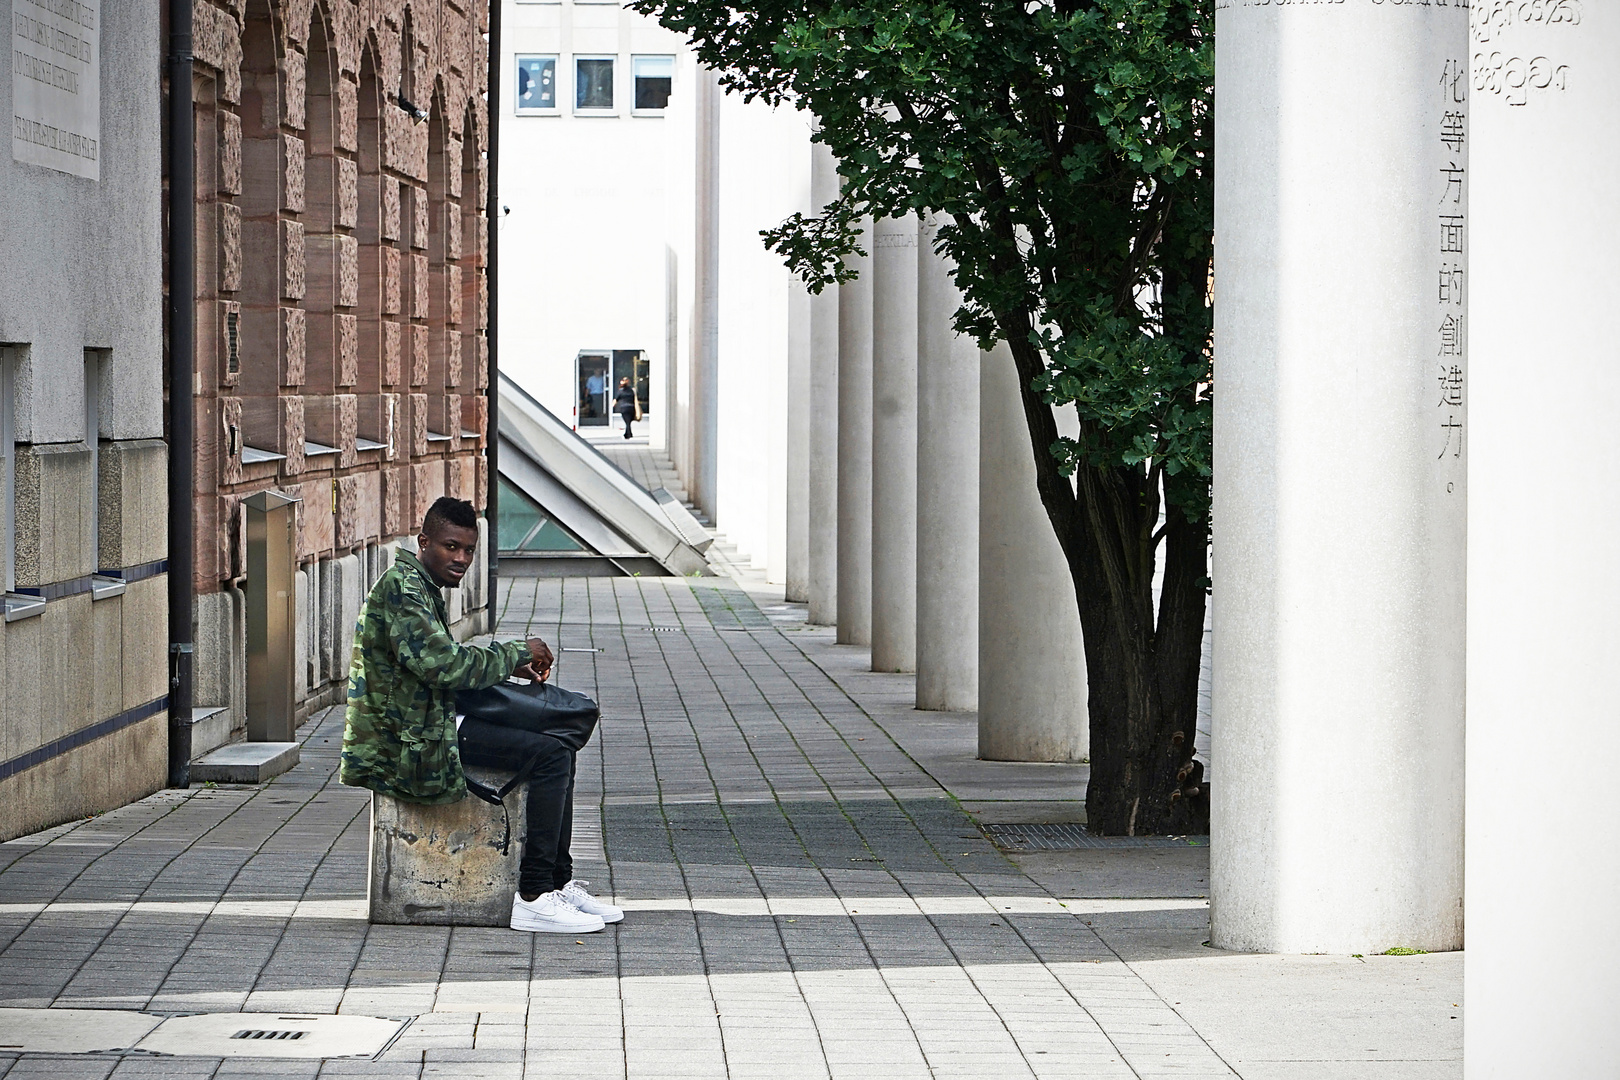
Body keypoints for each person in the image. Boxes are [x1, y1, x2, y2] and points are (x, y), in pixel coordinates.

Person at [339, 496, 624, 934]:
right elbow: (444, 666)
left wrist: (509, 664)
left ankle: (556, 883)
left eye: (469, 550)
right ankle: (533, 896)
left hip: (428, 722)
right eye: (451, 547)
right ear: (424, 541)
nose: (460, 559)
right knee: (548, 754)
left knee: (560, 745)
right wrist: (514, 652)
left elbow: (441, 661)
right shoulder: (402, 591)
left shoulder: (419, 586)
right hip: (404, 739)